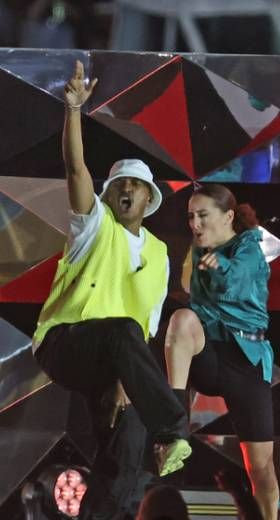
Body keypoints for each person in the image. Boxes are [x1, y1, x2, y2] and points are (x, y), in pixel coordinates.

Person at [31, 61, 190, 516]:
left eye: (136, 186)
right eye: (119, 183)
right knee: (123, 334)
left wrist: (125, 380)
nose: (126, 190)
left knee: (124, 454)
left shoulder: (159, 253)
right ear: (109, 194)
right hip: (65, 342)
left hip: (115, 359)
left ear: (148, 199)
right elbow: (75, 167)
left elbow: (146, 325)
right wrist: (73, 111)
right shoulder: (94, 226)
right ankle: (174, 428)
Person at [163, 183, 278, 519]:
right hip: (211, 355)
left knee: (260, 467)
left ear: (228, 216)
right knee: (181, 320)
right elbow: (191, 296)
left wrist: (219, 266)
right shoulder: (200, 251)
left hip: (247, 359)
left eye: (202, 216)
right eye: (190, 217)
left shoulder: (250, 249)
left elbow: (236, 282)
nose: (195, 224)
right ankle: (173, 427)